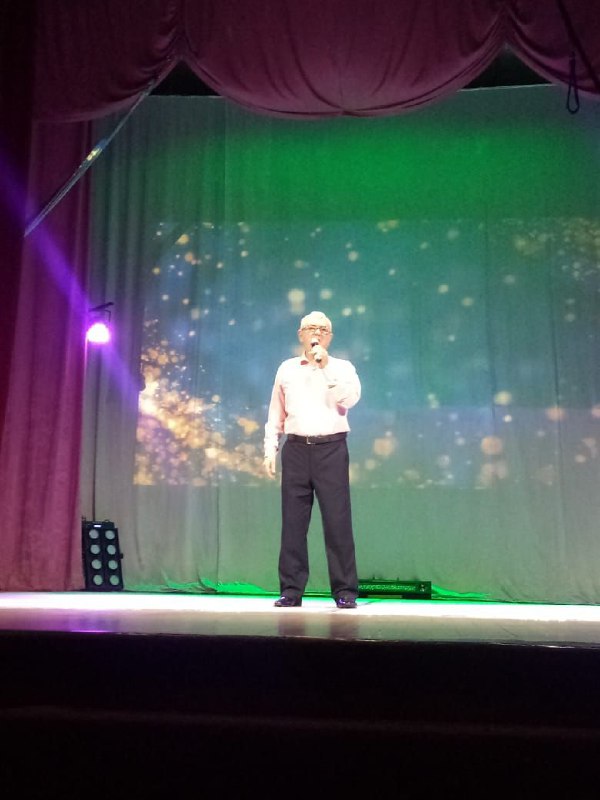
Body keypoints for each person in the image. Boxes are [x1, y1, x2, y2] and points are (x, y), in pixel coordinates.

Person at [264, 310, 361, 609]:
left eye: (322, 329)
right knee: (293, 524)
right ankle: (291, 590)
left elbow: (350, 399)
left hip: (331, 449)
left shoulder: (342, 368)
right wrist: (270, 447)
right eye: (310, 328)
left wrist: (325, 367)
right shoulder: (287, 369)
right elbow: (275, 411)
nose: (316, 333)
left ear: (330, 337)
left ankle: (345, 591)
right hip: (295, 449)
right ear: (300, 334)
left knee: (337, 522)